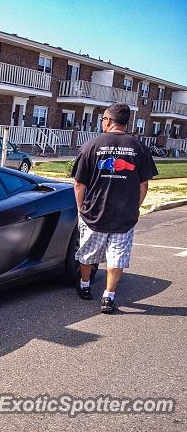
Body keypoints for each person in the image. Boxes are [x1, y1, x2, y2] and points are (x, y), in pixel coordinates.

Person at [71, 103, 158, 313]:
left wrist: (80, 209)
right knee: (117, 256)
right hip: (124, 216)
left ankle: (84, 286)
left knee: (87, 254)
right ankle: (108, 297)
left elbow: (79, 184)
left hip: (94, 212)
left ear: (109, 120)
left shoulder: (91, 146)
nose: (102, 122)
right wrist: (134, 207)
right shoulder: (139, 148)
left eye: (102, 119)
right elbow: (143, 185)